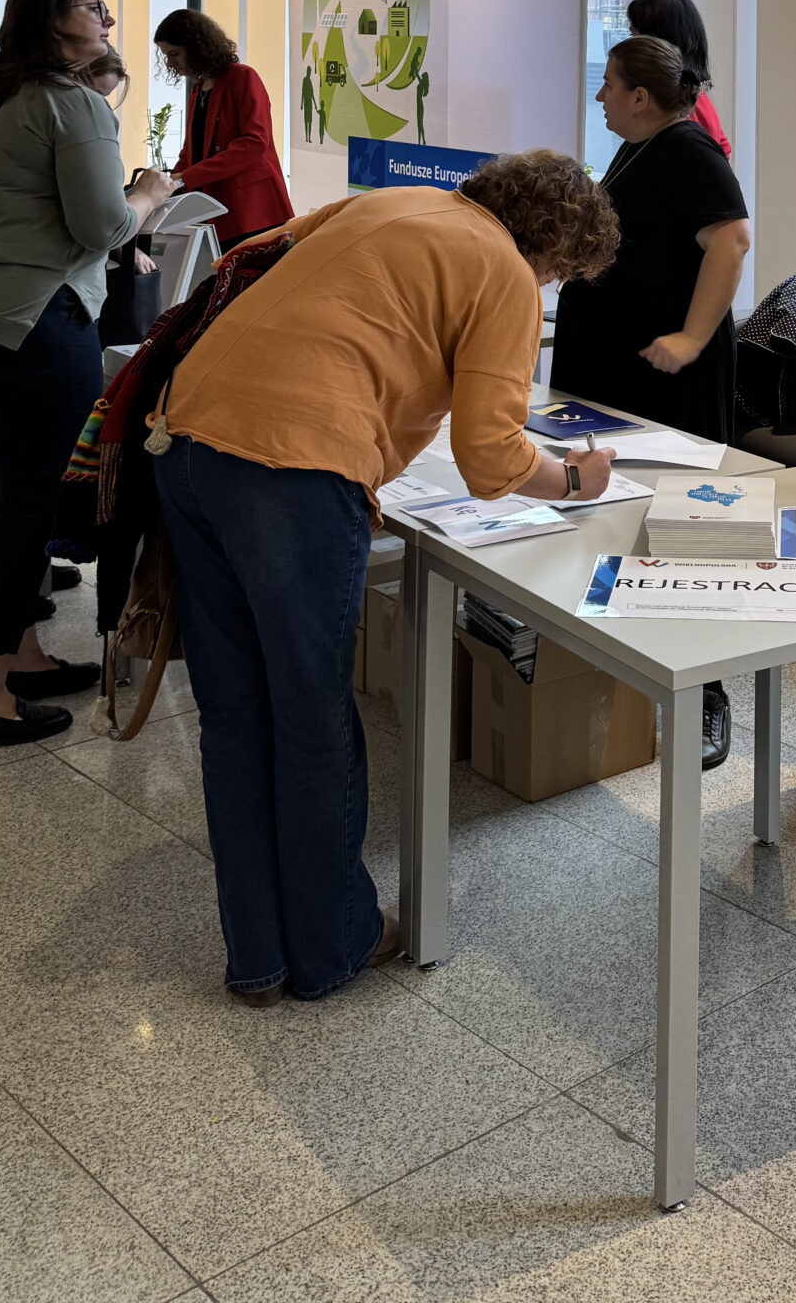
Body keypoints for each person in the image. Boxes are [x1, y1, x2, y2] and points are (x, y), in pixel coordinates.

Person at [152, 150, 620, 1006]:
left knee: (236, 711)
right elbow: (490, 456)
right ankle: (333, 945)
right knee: (311, 718)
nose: (550, 287)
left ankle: (257, 958)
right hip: (293, 469)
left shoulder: (395, 202)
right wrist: (573, 479)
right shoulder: (505, 271)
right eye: (559, 273)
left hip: (187, 437)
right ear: (554, 247)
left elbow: (254, 257)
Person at [0, 0, 174, 750]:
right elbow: (103, 227)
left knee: (1, 493)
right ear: (51, 19)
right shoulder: (74, 104)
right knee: (30, 504)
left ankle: (19, 657)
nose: (108, 18)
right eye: (92, 6)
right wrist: (150, 194)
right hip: (38, 321)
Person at [550, 34, 752, 769]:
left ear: (641, 96)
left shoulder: (689, 149)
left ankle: (707, 695)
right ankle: (633, 667)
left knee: (684, 530)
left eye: (608, 84)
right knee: (626, 522)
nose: (599, 96)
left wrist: (692, 338)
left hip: (668, 376)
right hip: (621, 369)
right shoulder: (638, 148)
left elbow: (732, 241)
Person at [153, 7, 294, 242]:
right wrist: (170, 181)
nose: (170, 63)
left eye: (174, 54)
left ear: (195, 47)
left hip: (253, 209)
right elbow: (190, 152)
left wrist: (185, 176)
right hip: (216, 208)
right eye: (166, 56)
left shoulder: (243, 77)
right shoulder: (198, 90)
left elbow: (254, 143)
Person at [628, 0, 730, 157]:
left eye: (634, 37)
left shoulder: (679, 110)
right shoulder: (695, 97)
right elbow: (723, 148)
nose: (630, 48)